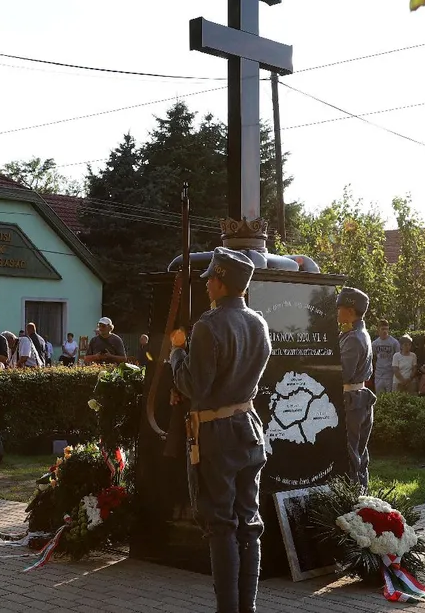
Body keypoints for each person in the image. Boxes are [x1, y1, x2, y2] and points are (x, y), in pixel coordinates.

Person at [168, 247, 271, 613]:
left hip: (217, 434)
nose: (207, 283)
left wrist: (177, 354)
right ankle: (248, 608)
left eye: (211, 277)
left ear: (221, 281)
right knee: (249, 522)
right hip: (249, 428)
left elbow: (195, 386)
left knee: (223, 525)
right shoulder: (258, 323)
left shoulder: (209, 326)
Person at [337, 287, 375, 490]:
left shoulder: (353, 337)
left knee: (350, 452)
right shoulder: (361, 333)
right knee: (360, 451)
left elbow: (344, 373)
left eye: (340, 308)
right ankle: (362, 493)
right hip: (360, 397)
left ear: (350, 311)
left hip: (351, 399)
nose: (337, 313)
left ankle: (353, 496)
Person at [371, 320, 400, 393]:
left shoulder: (394, 342)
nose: (385, 331)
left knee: (390, 397)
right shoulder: (375, 343)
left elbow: (398, 358)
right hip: (379, 375)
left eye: (386, 329)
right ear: (378, 330)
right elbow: (373, 357)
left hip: (390, 374)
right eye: (383, 329)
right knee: (379, 397)